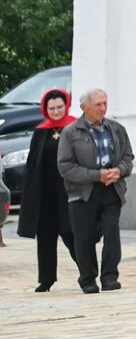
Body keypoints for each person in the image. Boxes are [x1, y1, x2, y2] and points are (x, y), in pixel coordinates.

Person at [59, 89, 134, 293]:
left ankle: (110, 277)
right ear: (84, 107)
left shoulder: (116, 129)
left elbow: (128, 157)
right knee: (84, 236)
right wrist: (96, 175)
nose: (103, 108)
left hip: (112, 188)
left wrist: (119, 170)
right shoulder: (70, 132)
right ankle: (88, 279)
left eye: (105, 103)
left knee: (111, 233)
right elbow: (65, 167)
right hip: (82, 192)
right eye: (98, 104)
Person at [15, 88, 74, 291]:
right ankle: (46, 279)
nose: (56, 112)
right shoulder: (41, 131)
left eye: (59, 107)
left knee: (70, 232)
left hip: (67, 188)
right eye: (51, 108)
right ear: (45, 109)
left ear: (66, 106)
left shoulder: (74, 127)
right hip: (45, 190)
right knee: (46, 234)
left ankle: (88, 273)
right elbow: (33, 163)